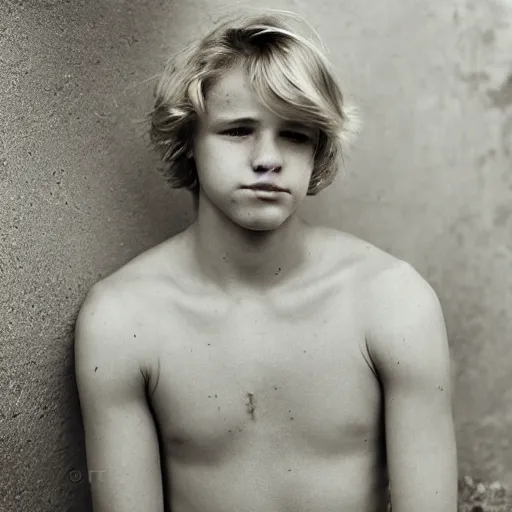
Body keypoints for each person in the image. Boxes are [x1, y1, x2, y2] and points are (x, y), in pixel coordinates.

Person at [74, 8, 458, 512]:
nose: (267, 158)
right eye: (238, 130)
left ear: (318, 149)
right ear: (189, 140)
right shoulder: (123, 320)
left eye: (295, 134)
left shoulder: (393, 302)